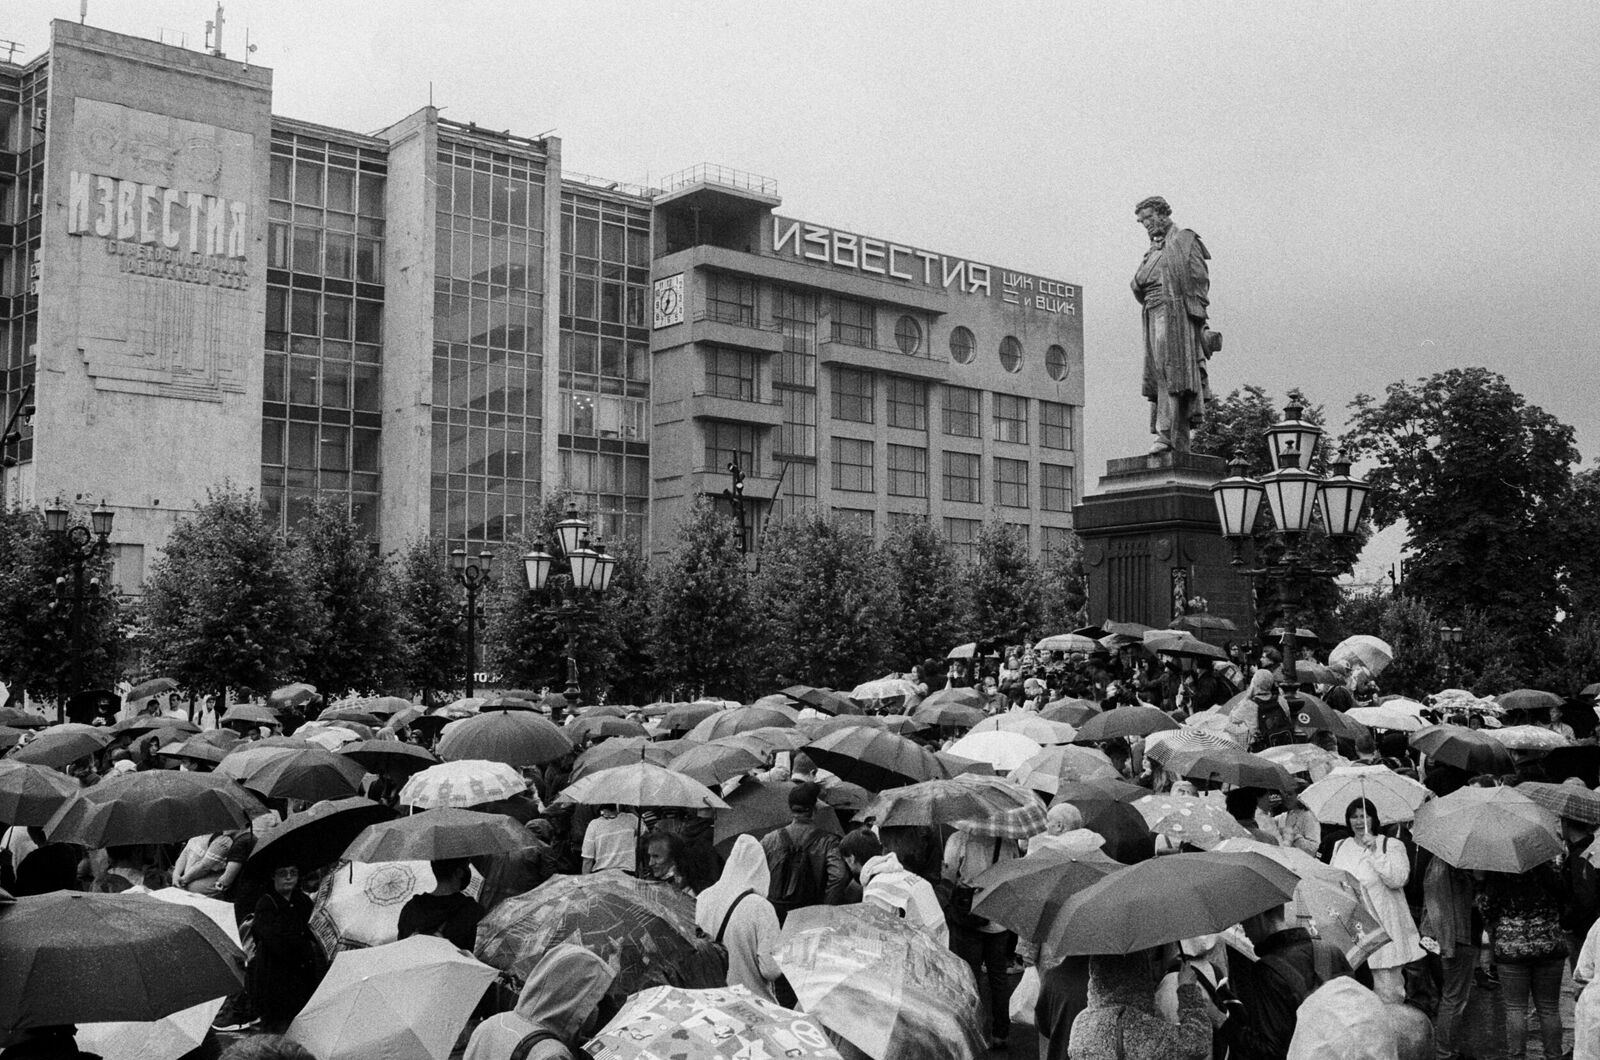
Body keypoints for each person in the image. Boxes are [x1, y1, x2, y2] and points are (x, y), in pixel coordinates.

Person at [1132, 195, 1215, 454]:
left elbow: (1200, 283)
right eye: (1141, 220)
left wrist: (1196, 320)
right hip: (1153, 313)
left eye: (1148, 217)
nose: (1145, 223)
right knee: (1159, 375)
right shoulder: (1153, 250)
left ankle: (1167, 434)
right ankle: (1169, 434)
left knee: (1172, 373)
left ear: (1162, 213)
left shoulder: (1184, 241)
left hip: (1175, 315)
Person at [1224, 902, 1354, 1060]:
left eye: (1244, 923)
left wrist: (1224, 1023)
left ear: (1258, 918)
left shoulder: (1267, 970)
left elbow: (1269, 1050)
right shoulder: (1330, 952)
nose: (1245, 933)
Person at [1329, 800, 1423, 1003]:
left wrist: (1375, 853)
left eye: (1364, 816)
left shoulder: (1391, 845)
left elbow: (1398, 879)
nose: (1359, 821)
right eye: (1354, 816)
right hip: (1351, 934)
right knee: (1356, 1001)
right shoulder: (1340, 846)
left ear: (1374, 818)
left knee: (1389, 996)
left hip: (1383, 932)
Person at [943, 824, 1022, 1049]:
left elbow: (948, 875)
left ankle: (974, 1034)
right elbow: (1014, 873)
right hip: (999, 917)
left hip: (969, 917)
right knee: (998, 977)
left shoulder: (960, 839)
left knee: (970, 978)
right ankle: (1001, 1034)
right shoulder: (1009, 840)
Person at [464, 943, 615, 1060]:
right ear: (573, 999)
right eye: (594, 1000)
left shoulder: (493, 1023)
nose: (595, 1009)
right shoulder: (552, 1054)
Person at [1481, 864, 1568, 1060]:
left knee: (1515, 1007)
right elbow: (1565, 897)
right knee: (1549, 1008)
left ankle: (1517, 1056)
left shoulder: (1499, 871)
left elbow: (1487, 909)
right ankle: (1554, 1055)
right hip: (1549, 945)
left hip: (1512, 949)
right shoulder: (1548, 869)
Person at [1069, 948, 1212, 1060]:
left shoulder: (1081, 1023)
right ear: (1140, 975)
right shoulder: (1144, 1029)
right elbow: (1198, 1042)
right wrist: (1187, 988)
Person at [695, 834, 781, 1002]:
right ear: (760, 869)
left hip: (710, 1000)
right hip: (753, 1005)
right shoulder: (760, 907)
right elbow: (771, 970)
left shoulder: (702, 898)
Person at [760, 781, 849, 923]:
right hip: (810, 915)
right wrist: (825, 910)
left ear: (791, 808)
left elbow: (757, 874)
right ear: (814, 809)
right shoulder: (829, 842)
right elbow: (839, 876)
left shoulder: (769, 839)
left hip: (774, 914)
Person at [840, 828, 947, 946]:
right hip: (940, 943)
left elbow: (879, 939)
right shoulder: (898, 874)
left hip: (925, 950)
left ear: (851, 859)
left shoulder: (877, 889)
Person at [249, 865, 323, 1033]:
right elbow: (269, 938)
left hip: (303, 973)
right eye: (283, 874)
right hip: (275, 974)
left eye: (293, 873)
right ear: (274, 877)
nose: (289, 878)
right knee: (277, 1026)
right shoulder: (266, 903)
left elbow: (313, 928)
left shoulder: (303, 900)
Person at [1420, 853, 1477, 1060]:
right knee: (1453, 998)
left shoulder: (1445, 863)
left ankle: (1449, 1049)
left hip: (1455, 937)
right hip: (1456, 938)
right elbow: (1438, 905)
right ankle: (1445, 1053)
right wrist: (1447, 943)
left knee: (1454, 997)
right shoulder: (1445, 863)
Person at [397, 858, 483, 950]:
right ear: (459, 872)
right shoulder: (472, 912)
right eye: (467, 866)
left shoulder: (410, 908)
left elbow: (401, 950)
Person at [581, 804, 637, 874]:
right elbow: (645, 834)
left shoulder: (594, 825)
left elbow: (587, 860)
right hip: (627, 874)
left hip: (602, 875)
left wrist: (585, 882)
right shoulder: (632, 819)